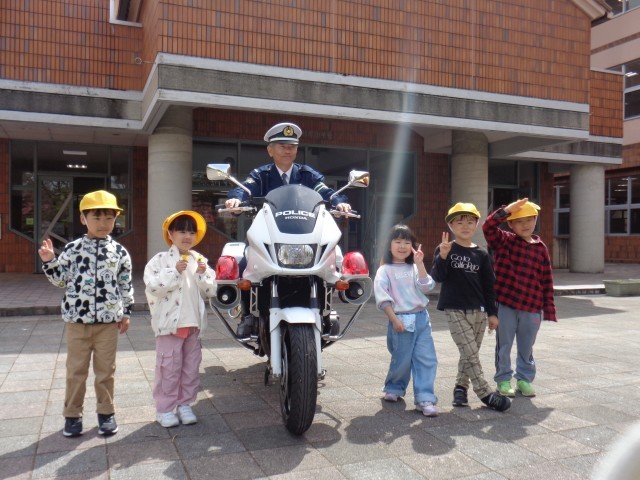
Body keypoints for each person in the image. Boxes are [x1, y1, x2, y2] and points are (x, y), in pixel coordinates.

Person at [225, 122, 352, 337]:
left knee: (332, 262)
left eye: (292, 146)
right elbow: (244, 189)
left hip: (304, 236)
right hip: (269, 238)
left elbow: (325, 191)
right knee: (245, 264)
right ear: (270, 150)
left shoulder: (307, 174)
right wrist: (235, 200)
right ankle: (247, 314)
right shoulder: (261, 175)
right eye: (282, 146)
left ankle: (327, 309)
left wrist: (340, 202)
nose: (288, 150)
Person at [38, 190, 133, 437]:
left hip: (108, 323)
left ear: (116, 219)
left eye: (109, 218)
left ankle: (106, 413)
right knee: (76, 371)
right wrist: (49, 261)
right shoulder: (73, 249)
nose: (103, 223)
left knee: (106, 371)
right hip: (77, 322)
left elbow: (125, 284)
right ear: (83, 219)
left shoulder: (119, 252)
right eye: (96, 218)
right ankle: (72, 415)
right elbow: (60, 280)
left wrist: (126, 312)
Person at [430, 203, 511, 412]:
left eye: (470, 222)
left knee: (469, 352)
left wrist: (492, 313)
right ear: (450, 226)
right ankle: (485, 393)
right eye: (459, 222)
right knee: (470, 352)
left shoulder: (482, 254)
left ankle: (460, 387)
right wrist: (443, 256)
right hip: (454, 309)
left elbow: (489, 286)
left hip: (479, 311)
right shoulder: (445, 249)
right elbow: (437, 277)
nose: (465, 226)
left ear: (476, 224)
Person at [144, 211, 217, 428]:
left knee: (191, 368)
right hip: (169, 326)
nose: (187, 236)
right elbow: (153, 287)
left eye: (192, 232)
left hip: (193, 325)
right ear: (171, 233)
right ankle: (165, 409)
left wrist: (203, 274)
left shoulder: (199, 260)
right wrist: (174, 272)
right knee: (168, 368)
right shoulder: (160, 260)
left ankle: (185, 404)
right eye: (182, 231)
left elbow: (211, 290)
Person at [482, 198, 556, 398]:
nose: (525, 225)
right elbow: (488, 227)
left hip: (532, 306)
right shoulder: (504, 241)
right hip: (506, 304)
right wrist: (506, 210)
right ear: (510, 224)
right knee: (504, 345)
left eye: (529, 220)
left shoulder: (541, 247)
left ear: (535, 220)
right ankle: (503, 379)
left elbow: (546, 279)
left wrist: (548, 308)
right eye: (519, 221)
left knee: (527, 346)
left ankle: (524, 379)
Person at [374, 224, 439, 417]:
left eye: (406, 242)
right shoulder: (385, 270)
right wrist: (394, 320)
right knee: (401, 359)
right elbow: (382, 297)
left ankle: (425, 398)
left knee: (426, 358)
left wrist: (420, 264)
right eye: (397, 241)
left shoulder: (414, 267)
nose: (402, 246)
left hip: (421, 318)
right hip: (401, 319)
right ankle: (394, 387)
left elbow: (427, 287)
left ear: (413, 245)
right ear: (389, 245)